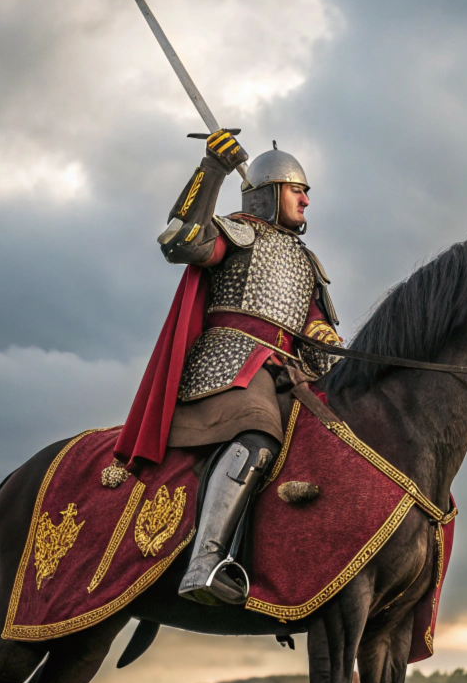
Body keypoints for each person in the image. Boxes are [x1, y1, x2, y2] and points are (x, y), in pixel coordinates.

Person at [114, 129, 341, 605]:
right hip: (230, 362)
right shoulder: (238, 231)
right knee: (257, 436)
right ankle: (205, 562)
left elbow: (317, 331)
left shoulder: (307, 261)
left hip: (287, 371)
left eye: (306, 191)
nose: (305, 198)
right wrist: (212, 169)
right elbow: (182, 241)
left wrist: (330, 343)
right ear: (269, 193)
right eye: (297, 189)